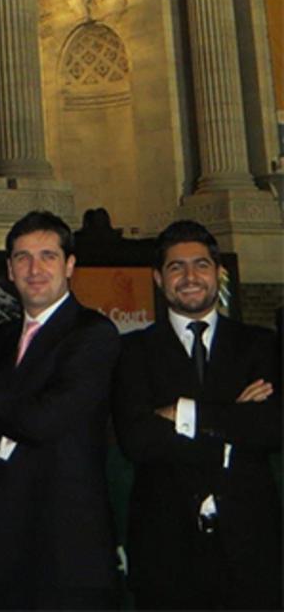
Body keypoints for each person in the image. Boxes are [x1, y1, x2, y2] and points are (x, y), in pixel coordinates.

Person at [113, 220, 281, 610]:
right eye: (177, 267)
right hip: (165, 552)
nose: (190, 277)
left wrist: (183, 413)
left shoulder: (260, 345)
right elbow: (137, 441)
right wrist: (233, 420)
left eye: (201, 265)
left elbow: (272, 428)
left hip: (251, 548)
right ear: (159, 278)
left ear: (218, 272)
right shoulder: (131, 351)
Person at [0, 210, 120, 609]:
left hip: (67, 552)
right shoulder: (2, 338)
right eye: (22, 257)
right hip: (2, 549)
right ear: (9, 269)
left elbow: (44, 420)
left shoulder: (93, 333)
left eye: (47, 256)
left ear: (70, 265)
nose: (34, 269)